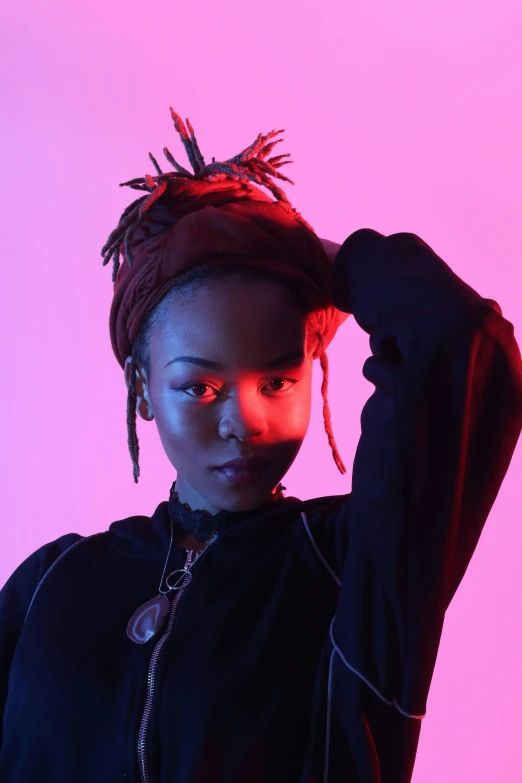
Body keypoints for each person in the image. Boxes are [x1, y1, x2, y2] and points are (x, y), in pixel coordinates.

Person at [1, 107, 521, 783]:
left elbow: (463, 342)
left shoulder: (356, 562)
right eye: (200, 387)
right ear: (142, 391)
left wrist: (322, 260)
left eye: (278, 379)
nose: (243, 420)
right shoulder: (54, 582)